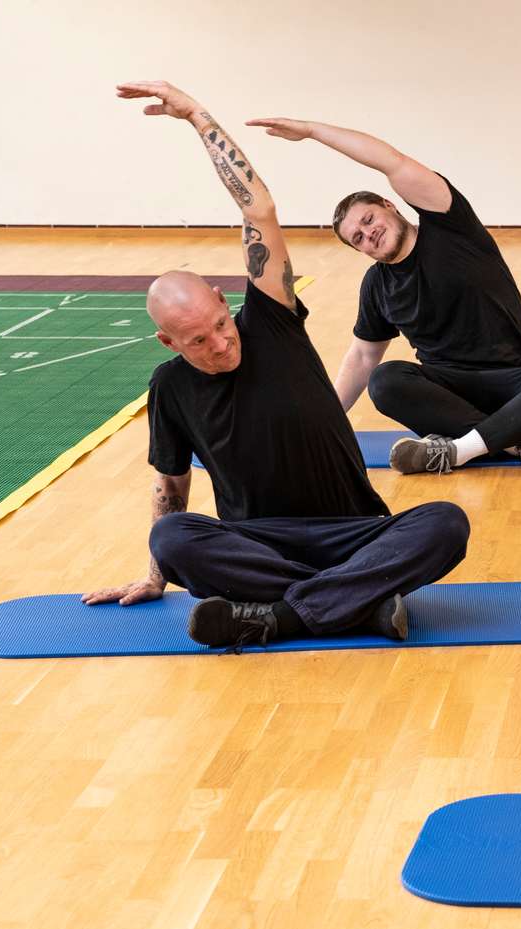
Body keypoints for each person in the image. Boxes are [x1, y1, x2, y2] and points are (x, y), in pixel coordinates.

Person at [84, 82, 470, 649]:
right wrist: (154, 574)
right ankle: (356, 603)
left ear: (224, 299)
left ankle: (279, 617)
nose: (220, 344)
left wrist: (197, 116)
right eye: (197, 342)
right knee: (173, 537)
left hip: (354, 533)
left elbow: (256, 208)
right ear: (169, 343)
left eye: (220, 324)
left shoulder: (271, 321)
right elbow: (170, 482)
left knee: (444, 524)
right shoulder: (170, 387)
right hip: (258, 546)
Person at [245, 114, 521, 474]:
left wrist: (312, 132)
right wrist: (326, 420)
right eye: (358, 238)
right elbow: (363, 359)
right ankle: (517, 438)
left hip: (519, 381)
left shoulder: (450, 225)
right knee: (385, 381)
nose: (369, 235)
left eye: (368, 221)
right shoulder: (377, 285)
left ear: (389, 204)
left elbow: (391, 160)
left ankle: (458, 450)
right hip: (451, 393)